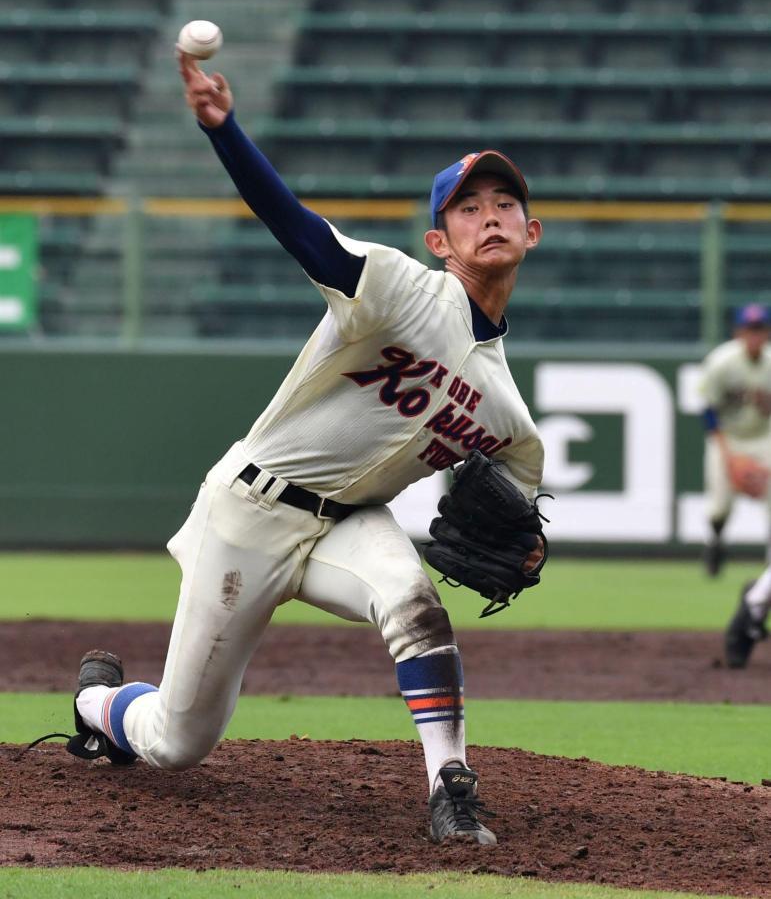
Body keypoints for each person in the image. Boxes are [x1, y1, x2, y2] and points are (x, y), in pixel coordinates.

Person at [66, 50, 546, 845]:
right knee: (178, 742)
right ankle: (94, 703)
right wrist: (224, 131)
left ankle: (450, 786)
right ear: (438, 239)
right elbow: (294, 224)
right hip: (249, 512)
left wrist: (526, 555)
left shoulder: (509, 414)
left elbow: (519, 513)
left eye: (503, 203)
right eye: (466, 208)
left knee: (415, 607)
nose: (488, 215)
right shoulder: (392, 287)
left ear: (530, 231)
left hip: (349, 523)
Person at [700, 304, 771, 579]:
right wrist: (731, 458)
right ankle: (715, 541)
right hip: (728, 437)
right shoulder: (721, 362)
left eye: (760, 330)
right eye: (750, 329)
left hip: (764, 436)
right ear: (738, 332)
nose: (755, 336)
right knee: (719, 507)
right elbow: (707, 412)